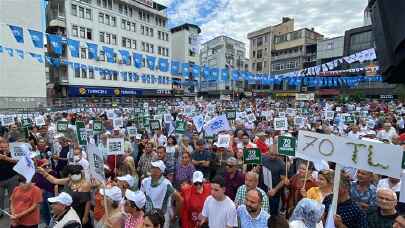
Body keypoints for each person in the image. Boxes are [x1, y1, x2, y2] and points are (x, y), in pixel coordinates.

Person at [140, 160, 182, 228]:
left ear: (160, 171)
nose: (152, 168)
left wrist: (175, 216)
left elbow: (180, 199)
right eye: (152, 167)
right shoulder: (145, 181)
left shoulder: (166, 184)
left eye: (155, 167)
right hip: (148, 218)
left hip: (161, 219)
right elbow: (141, 198)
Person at [258, 144, 287, 215]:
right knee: (261, 210)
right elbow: (259, 169)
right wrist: (256, 169)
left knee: (272, 212)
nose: (273, 157)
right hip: (262, 190)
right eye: (271, 154)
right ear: (268, 151)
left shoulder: (281, 164)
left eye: (275, 155)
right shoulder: (263, 158)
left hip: (274, 193)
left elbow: (283, 180)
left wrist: (275, 190)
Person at [0, 136, 18, 215]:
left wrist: (5, 158)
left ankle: (12, 211)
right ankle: (0, 212)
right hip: (0, 180)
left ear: (8, 146)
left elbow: (17, 161)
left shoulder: (13, 152)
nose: (4, 148)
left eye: (5, 147)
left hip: (12, 178)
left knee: (12, 197)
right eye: (1, 147)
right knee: (0, 197)